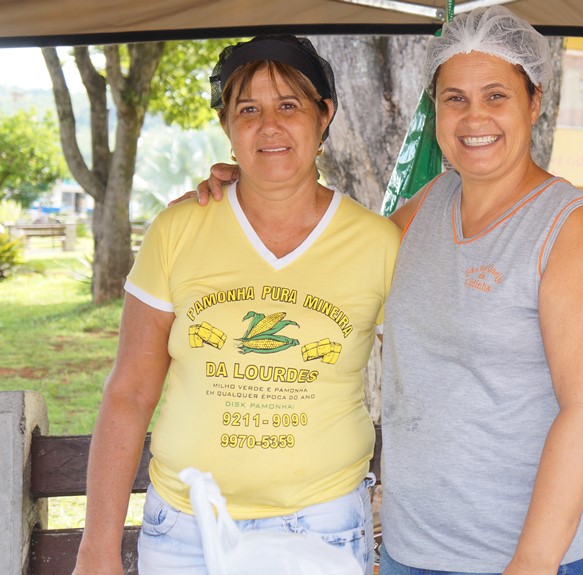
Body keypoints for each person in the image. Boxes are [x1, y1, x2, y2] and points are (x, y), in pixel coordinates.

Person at [191, 8, 583, 574]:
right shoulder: (431, 203)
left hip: (525, 556)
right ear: (435, 108)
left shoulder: (573, 226)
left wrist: (533, 562)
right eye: (455, 98)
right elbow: (328, 256)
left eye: (496, 96)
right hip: (411, 549)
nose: (474, 117)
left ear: (534, 102)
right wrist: (255, 188)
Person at [72, 35, 399, 575]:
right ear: (226, 125)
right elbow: (129, 392)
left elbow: (425, 380)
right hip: (183, 531)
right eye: (248, 110)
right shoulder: (178, 230)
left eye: (289, 106)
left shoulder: (378, 243)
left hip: (320, 528)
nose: (269, 126)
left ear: (324, 116)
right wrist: (96, 546)